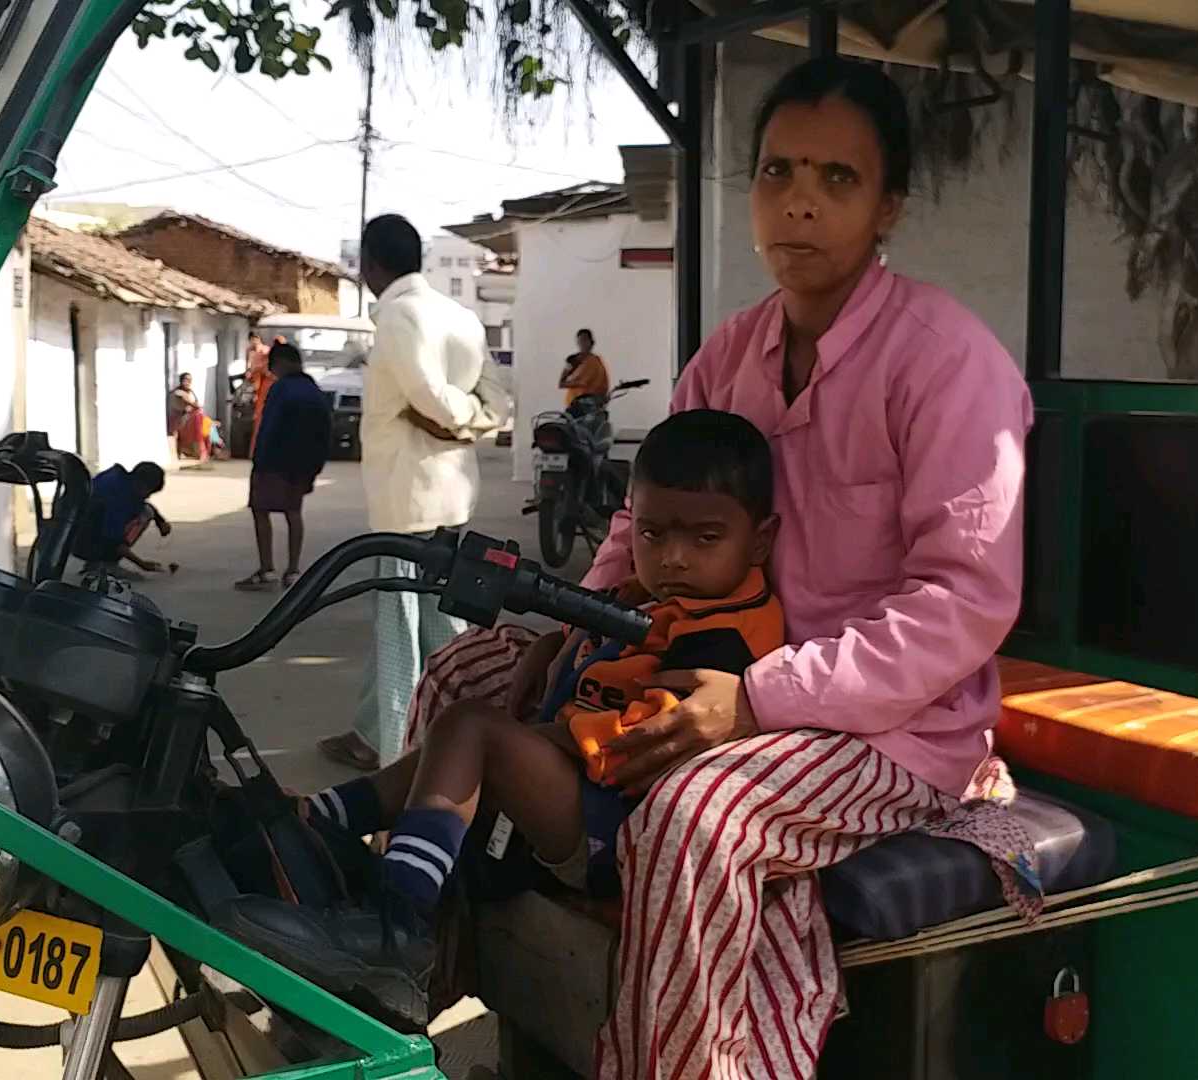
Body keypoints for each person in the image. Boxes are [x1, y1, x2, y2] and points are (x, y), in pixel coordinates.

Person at [344, 57, 1033, 1077]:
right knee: (462, 676)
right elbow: (639, 519)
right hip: (699, 655)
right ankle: (416, 981)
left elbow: (965, 603)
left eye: (837, 179)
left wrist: (756, 700)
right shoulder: (731, 355)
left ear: (888, 206)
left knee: (696, 815)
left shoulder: (945, 362)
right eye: (777, 171)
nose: (798, 199)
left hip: (888, 723)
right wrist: (578, 623)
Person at [219, 410, 784, 1030]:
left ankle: (398, 929)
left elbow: (650, 736)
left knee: (471, 729)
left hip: (619, 821)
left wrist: (537, 739)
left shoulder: (728, 631)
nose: (672, 558)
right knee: (452, 741)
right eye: (652, 536)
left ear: (759, 540)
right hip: (579, 791)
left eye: (704, 539)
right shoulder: (650, 598)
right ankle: (316, 822)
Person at [316, 213, 510, 772]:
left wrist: (453, 421)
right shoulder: (462, 317)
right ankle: (413, 729)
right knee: (441, 623)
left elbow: (427, 396)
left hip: (406, 500)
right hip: (451, 497)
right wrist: (473, 421)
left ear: (372, 264)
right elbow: (498, 400)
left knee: (401, 626)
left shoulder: (401, 316)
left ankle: (395, 746)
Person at [236, 342, 331, 591]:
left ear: (282, 363)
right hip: (302, 464)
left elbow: (270, 426)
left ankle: (267, 569)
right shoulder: (314, 389)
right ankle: (293, 570)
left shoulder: (281, 389)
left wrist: (258, 459)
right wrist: (315, 465)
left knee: (260, 510)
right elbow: (325, 430)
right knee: (293, 512)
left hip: (274, 461)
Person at [73, 461, 171, 577]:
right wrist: (142, 564)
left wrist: (160, 521)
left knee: (146, 509)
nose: (148, 496)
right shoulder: (119, 500)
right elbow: (114, 542)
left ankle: (95, 563)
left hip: (73, 535)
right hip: (85, 542)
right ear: (141, 485)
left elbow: (142, 504)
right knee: (145, 513)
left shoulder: (116, 478)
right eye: (149, 492)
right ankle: (107, 565)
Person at [559, 328, 610, 407]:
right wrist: (578, 383)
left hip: (594, 403)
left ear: (592, 342)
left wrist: (604, 396)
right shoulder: (573, 360)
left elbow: (604, 382)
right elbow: (561, 383)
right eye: (581, 341)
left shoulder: (597, 361)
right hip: (576, 403)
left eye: (585, 340)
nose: (583, 343)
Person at [244, 332, 274, 455]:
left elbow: (265, 368)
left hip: (266, 386)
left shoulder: (266, 351)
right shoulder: (250, 351)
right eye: (252, 339)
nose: (254, 341)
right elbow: (249, 368)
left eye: (256, 339)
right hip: (257, 386)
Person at [169, 373, 208, 463]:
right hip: (180, 418)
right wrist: (193, 406)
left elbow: (196, 405)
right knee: (200, 418)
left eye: (189, 380)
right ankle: (202, 451)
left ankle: (208, 450)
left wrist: (195, 406)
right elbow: (192, 404)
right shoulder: (178, 392)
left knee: (206, 422)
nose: (187, 382)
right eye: (185, 380)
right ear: (181, 381)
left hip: (191, 417)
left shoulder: (190, 391)